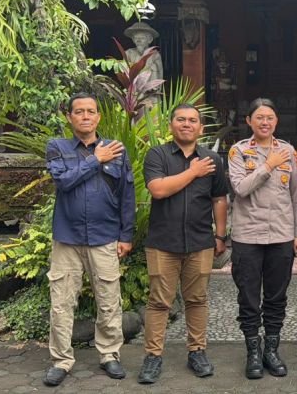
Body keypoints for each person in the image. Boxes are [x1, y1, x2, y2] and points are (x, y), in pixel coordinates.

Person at [43, 93, 135, 387]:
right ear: (69, 117)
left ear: (99, 117)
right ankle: (61, 360)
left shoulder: (116, 150)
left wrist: (126, 235)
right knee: (61, 301)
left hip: (105, 236)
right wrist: (96, 160)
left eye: (91, 111)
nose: (85, 116)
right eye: (79, 111)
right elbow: (63, 182)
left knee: (109, 301)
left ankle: (109, 355)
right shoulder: (57, 147)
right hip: (67, 239)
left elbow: (127, 195)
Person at [137, 104, 229, 384]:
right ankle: (153, 357)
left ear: (200, 128)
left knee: (197, 300)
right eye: (181, 119)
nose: (186, 124)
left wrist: (220, 236)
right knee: (159, 302)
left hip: (200, 242)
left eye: (192, 120)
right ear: (171, 125)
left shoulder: (212, 159)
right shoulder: (157, 155)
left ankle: (197, 352)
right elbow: (159, 189)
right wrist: (192, 172)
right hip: (163, 243)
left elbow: (219, 199)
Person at [228, 98, 297, 379]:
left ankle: (271, 350)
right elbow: (240, 188)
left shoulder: (288, 151)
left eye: (270, 118)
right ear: (249, 121)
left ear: (276, 121)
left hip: (281, 235)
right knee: (248, 297)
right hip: (247, 236)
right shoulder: (238, 152)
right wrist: (267, 166)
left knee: (276, 296)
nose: (265, 122)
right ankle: (252, 350)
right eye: (259, 117)